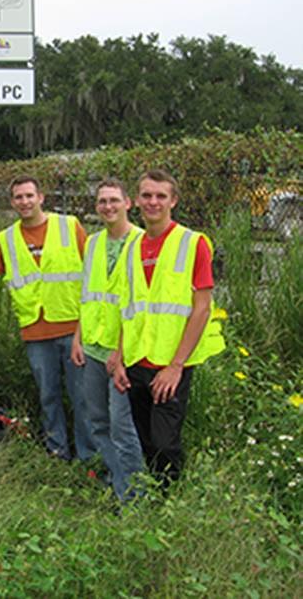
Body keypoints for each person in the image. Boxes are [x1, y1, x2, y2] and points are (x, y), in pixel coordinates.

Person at [111, 169, 225, 487]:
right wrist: (119, 358)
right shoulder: (131, 248)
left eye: (161, 196)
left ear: (173, 201)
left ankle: (171, 500)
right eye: (147, 195)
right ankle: (157, 497)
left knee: (164, 442)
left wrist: (176, 366)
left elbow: (201, 308)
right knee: (146, 440)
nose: (153, 202)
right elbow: (127, 307)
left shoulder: (193, 243)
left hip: (172, 364)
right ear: (136, 201)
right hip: (137, 361)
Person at [0, 175, 93, 461]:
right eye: (18, 197)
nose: (25, 201)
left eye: (29, 195)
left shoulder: (70, 227)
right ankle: (57, 452)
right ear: (12, 203)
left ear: (41, 197)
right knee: (49, 396)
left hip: (73, 328)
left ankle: (87, 456)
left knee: (82, 398)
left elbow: (92, 275)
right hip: (35, 332)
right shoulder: (5, 239)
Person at [70, 179, 144, 499]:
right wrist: (77, 337)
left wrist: (121, 351)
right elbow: (88, 296)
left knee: (122, 428)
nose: (108, 206)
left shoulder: (142, 242)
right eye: (102, 201)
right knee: (97, 421)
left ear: (128, 203)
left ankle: (134, 497)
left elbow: (140, 305)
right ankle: (117, 484)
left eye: (114, 200)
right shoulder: (94, 243)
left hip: (121, 353)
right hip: (93, 348)